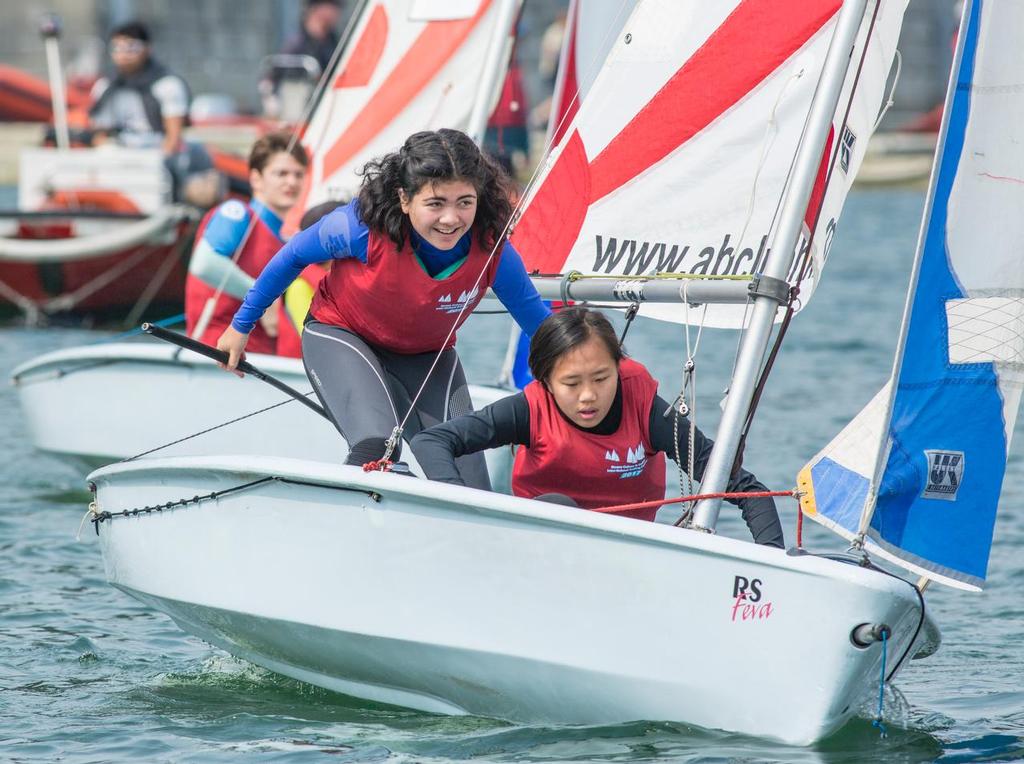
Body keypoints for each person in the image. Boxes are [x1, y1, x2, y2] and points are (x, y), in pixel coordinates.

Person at [217, 128, 551, 488]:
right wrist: (241, 326)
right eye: (435, 203)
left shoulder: (492, 248)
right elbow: (292, 256)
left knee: (470, 481)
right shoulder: (358, 226)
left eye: (464, 202)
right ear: (405, 199)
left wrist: (606, 373)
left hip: (427, 356)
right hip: (342, 335)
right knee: (378, 450)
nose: (451, 219)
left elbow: (539, 323)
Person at [411, 306, 785, 547]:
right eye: (571, 384)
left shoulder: (647, 410)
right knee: (557, 506)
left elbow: (744, 489)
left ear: (618, 369)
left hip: (628, 552)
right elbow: (432, 441)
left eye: (602, 378)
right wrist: (460, 518)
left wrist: (771, 561)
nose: (588, 396)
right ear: (545, 381)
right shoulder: (528, 409)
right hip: (541, 549)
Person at [185, 132, 309, 353]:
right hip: (219, 354)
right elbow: (204, 264)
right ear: (256, 179)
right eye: (281, 173)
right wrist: (264, 299)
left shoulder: (290, 241)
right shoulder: (237, 214)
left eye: (298, 175)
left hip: (262, 361)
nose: (292, 182)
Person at [88, 20, 214, 202]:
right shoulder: (105, 87)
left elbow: (173, 138)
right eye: (117, 47)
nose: (123, 54)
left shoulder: (167, 85)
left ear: (147, 49)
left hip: (155, 154)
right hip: (119, 155)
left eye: (131, 47)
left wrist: (150, 166)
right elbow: (99, 135)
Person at [280, 0, 342, 77]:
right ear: (316, 8)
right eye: (332, 6)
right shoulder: (296, 46)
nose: (336, 12)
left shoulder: (335, 42)